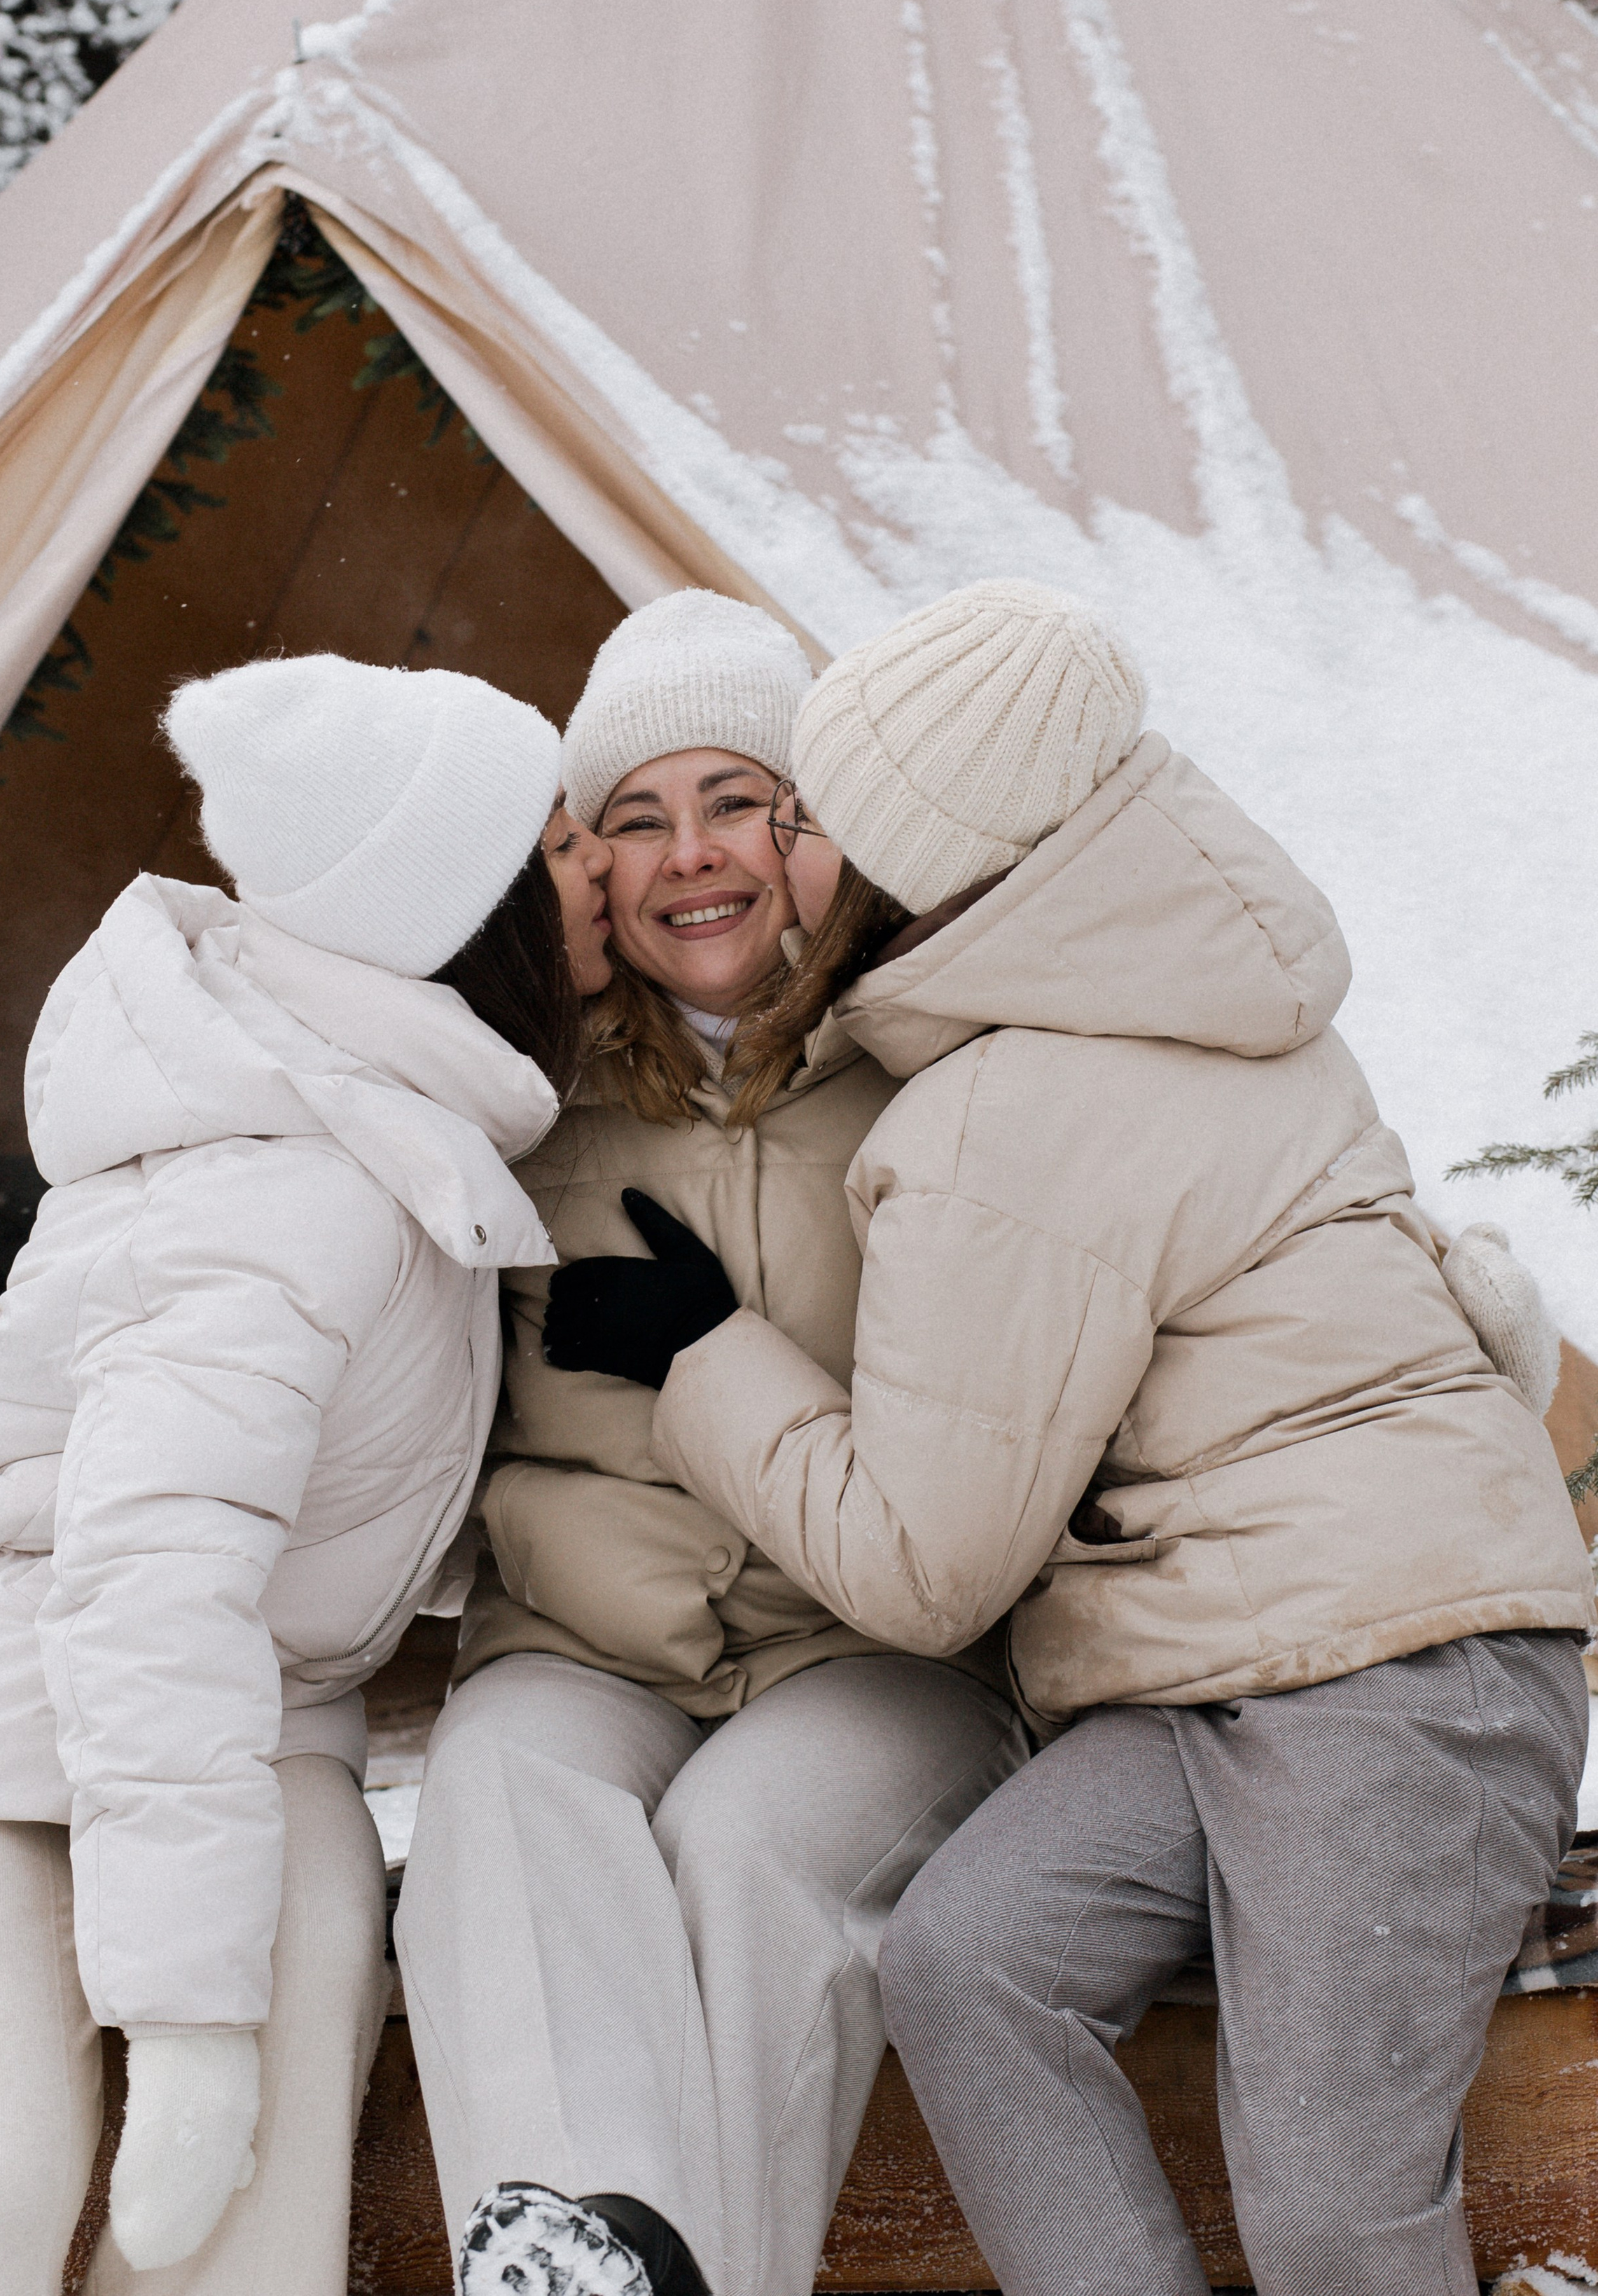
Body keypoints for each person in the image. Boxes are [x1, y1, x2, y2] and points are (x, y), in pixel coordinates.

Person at [574, 578, 1592, 2296]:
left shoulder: (1004, 1112)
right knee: (972, 1962)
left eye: (804, 819)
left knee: (1331, 2211)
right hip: (1218, 1653)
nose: (761, 857)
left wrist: (701, 1355)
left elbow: (922, 1565)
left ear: (906, 858)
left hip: (1386, 1660)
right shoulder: (1184, 980)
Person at [0, 652, 585, 2296]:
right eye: (562, 843)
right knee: (4, 2181)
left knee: (246, 2225)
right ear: (473, 908)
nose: (600, 876)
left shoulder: (393, 1133)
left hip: (240, 1723)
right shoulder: (282, 1190)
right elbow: (147, 1579)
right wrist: (184, 2022)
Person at [393, 590, 1027, 2296]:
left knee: (745, 1847)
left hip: (874, 1651)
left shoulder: (935, 1057)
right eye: (637, 818)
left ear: (812, 821)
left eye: (734, 799)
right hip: (584, 1640)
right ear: (585, 865)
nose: (692, 857)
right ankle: (569, 2251)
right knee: (502, 1790)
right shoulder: (520, 1088)